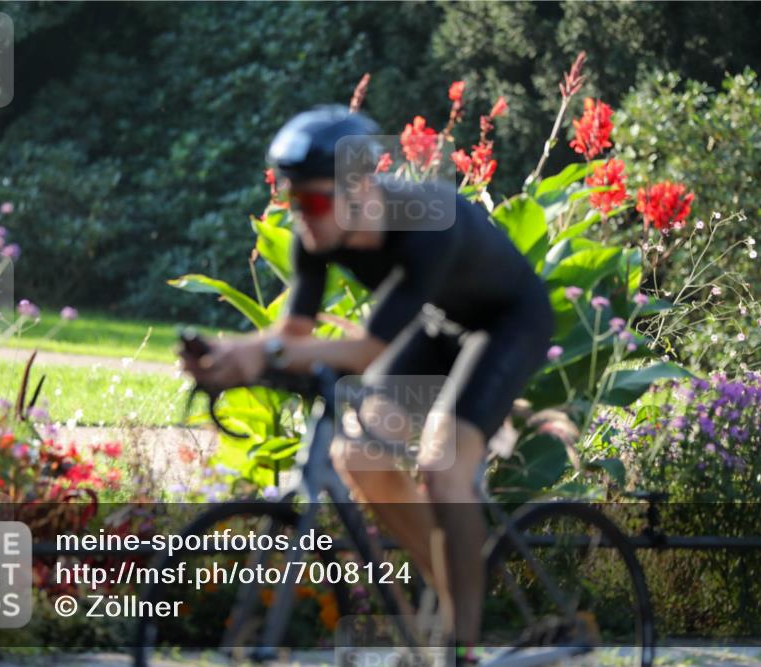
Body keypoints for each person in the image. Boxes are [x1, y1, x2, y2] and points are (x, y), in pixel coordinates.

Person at [180, 104, 554, 661]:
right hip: (438, 323)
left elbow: (367, 350)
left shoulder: (426, 225)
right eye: (293, 200)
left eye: (314, 201)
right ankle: (452, 584)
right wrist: (235, 360)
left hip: (508, 325)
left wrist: (258, 353)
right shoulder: (317, 234)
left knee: (443, 467)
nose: (302, 216)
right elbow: (295, 334)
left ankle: (463, 646)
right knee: (358, 454)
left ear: (358, 190)